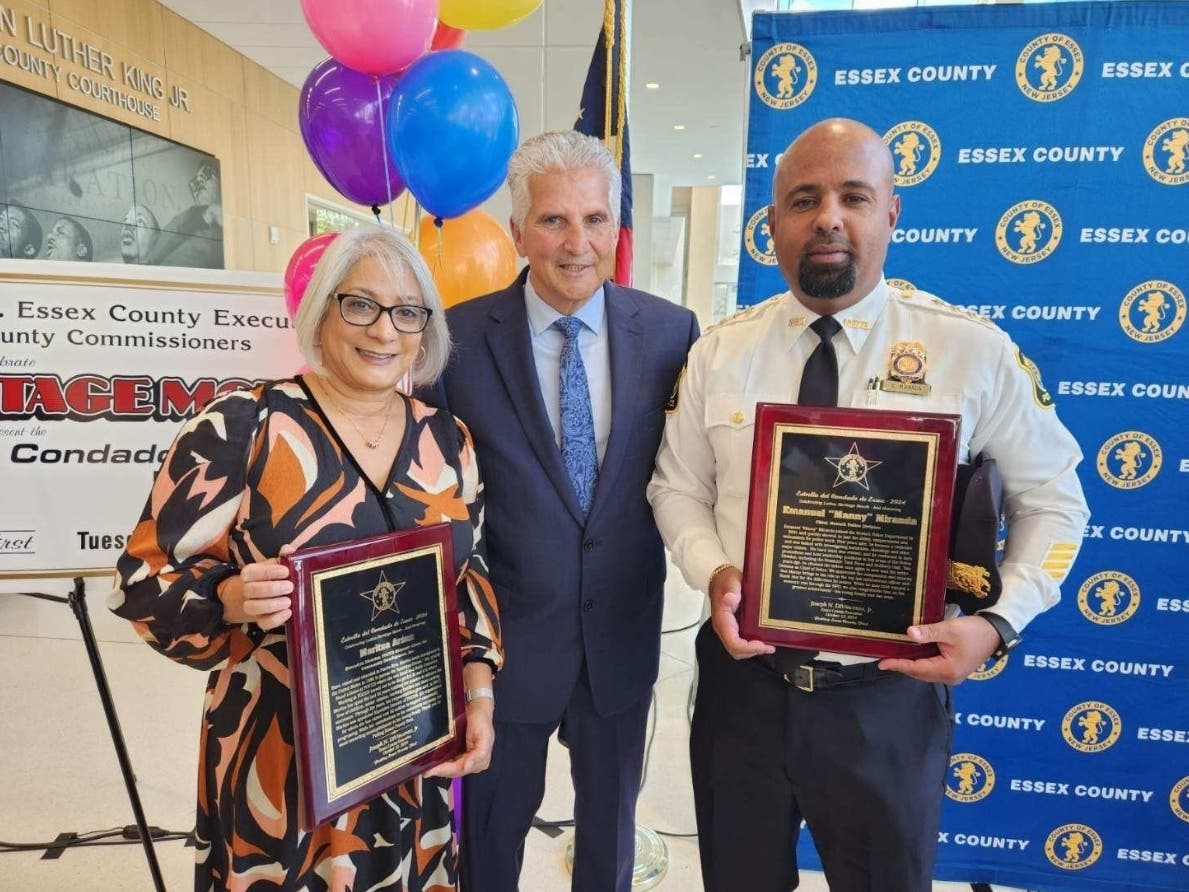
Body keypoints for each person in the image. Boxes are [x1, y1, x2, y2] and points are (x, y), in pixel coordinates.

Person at [647, 118, 1090, 892]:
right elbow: (675, 487)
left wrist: (998, 621)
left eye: (853, 196)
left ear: (890, 212)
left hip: (884, 700)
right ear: (772, 222)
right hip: (740, 695)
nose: (827, 217)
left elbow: (1056, 503)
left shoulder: (969, 351)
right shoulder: (720, 351)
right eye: (802, 198)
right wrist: (712, 571)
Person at [109, 224, 502, 890]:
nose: (384, 330)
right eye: (361, 304)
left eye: (406, 311)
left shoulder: (446, 438)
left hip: (411, 747)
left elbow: (467, 580)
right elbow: (143, 582)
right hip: (279, 763)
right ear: (321, 311)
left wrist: (480, 696)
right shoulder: (242, 426)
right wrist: (228, 596)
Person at [426, 131, 699, 892]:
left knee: (610, 837)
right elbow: (429, 501)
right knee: (488, 836)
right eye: (552, 221)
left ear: (617, 227)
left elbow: (692, 472)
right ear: (517, 231)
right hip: (503, 651)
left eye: (594, 219)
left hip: (620, 637)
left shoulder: (671, 333)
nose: (576, 242)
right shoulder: (454, 341)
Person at [149, 158, 224, 268]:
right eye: (195, 182)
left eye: (206, 174)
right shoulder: (183, 219)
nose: (199, 184)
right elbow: (154, 257)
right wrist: (202, 215)